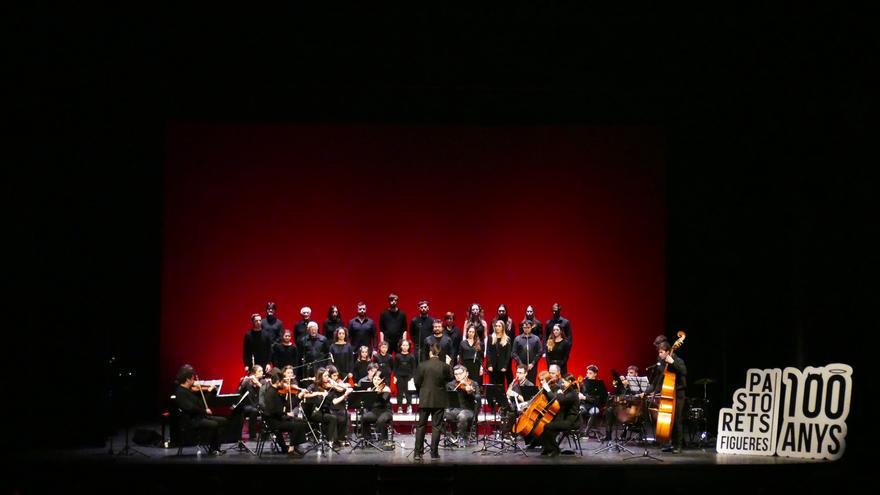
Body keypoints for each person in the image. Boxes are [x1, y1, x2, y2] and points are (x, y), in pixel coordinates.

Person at [173, 365, 227, 454]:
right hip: (190, 421)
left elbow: (200, 404)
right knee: (214, 424)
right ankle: (213, 449)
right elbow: (190, 408)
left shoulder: (189, 390)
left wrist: (209, 392)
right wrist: (204, 411)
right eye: (193, 379)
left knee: (223, 420)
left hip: (198, 417)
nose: (194, 381)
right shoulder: (180, 392)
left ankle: (215, 447)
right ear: (187, 380)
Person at [413, 343, 454, 461]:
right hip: (439, 400)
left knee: (421, 426)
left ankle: (417, 453)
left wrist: (421, 392)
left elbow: (417, 382)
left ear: (430, 352)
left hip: (425, 399)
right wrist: (448, 364)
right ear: (439, 353)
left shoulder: (422, 365)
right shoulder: (444, 366)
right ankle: (434, 453)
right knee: (436, 427)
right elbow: (450, 378)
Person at [648, 340, 687, 453]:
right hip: (669, 393)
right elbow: (660, 379)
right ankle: (669, 443)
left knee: (677, 419)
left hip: (679, 393)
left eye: (661, 352)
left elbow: (684, 372)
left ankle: (678, 445)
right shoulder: (662, 362)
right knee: (669, 419)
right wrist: (653, 392)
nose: (659, 355)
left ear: (667, 352)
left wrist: (673, 362)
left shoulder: (678, 360)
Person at [260, 369, 307, 457]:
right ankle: (291, 450)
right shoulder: (271, 393)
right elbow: (273, 411)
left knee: (299, 421)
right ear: (278, 382)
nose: (283, 383)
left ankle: (292, 447)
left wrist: (298, 397)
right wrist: (286, 414)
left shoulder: (274, 391)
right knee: (298, 425)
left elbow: (284, 406)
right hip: (274, 422)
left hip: (276, 418)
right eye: (282, 382)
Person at [302, 366, 352, 447]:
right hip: (316, 411)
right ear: (320, 377)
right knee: (332, 417)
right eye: (325, 376)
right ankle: (331, 440)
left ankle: (333, 440)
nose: (327, 378)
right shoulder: (313, 386)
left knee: (335, 417)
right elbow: (305, 394)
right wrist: (319, 393)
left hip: (326, 411)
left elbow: (334, 401)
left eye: (328, 376)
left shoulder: (330, 387)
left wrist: (345, 395)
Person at [538, 373, 580, 457]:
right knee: (543, 425)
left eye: (564, 382)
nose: (562, 384)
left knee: (547, 427)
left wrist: (559, 392)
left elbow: (560, 400)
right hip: (564, 418)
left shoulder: (572, 394)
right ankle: (547, 448)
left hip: (571, 422)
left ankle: (555, 449)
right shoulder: (567, 391)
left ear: (570, 382)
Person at [445, 365, 480, 445]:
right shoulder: (451, 385)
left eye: (460, 373)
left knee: (462, 415)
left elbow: (478, 399)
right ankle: (450, 437)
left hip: (468, 410)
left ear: (466, 374)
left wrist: (471, 393)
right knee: (438, 415)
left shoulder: (473, 384)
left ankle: (462, 437)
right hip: (454, 410)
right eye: (456, 374)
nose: (458, 376)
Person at [603, 365, 640, 441]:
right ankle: (608, 435)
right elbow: (620, 394)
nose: (629, 374)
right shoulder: (625, 382)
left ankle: (625, 433)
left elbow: (637, 396)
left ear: (636, 374)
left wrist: (629, 385)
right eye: (628, 373)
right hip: (622, 406)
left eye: (631, 373)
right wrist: (622, 385)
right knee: (609, 410)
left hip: (633, 407)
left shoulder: (639, 383)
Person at [361, 369, 395, 450]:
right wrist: (368, 394)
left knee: (381, 420)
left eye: (378, 379)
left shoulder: (386, 388)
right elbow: (367, 403)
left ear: (382, 380)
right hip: (375, 411)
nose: (376, 381)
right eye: (375, 379)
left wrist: (379, 393)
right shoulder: (371, 389)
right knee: (364, 417)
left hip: (386, 411)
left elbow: (384, 400)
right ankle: (368, 439)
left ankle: (384, 441)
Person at [485, 320, 512, 408]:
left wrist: (505, 366)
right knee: (492, 384)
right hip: (492, 366)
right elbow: (488, 352)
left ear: (503, 327)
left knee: (500, 385)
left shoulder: (507, 339)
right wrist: (489, 364)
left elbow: (508, 354)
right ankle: (491, 404)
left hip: (501, 367)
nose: (497, 327)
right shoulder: (490, 337)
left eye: (499, 326)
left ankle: (501, 403)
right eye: (496, 326)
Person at [503, 364, 534, 432]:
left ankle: (510, 432)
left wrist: (516, 395)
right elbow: (510, 398)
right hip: (515, 406)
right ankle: (505, 432)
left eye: (520, 373)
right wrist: (508, 395)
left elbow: (529, 401)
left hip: (525, 408)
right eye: (517, 372)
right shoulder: (515, 385)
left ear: (525, 374)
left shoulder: (529, 385)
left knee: (511, 413)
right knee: (503, 408)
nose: (517, 374)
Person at [578, 364, 607, 435]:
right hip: (584, 404)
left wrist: (585, 397)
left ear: (595, 374)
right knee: (579, 412)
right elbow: (580, 393)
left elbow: (601, 398)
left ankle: (586, 431)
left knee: (594, 412)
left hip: (594, 405)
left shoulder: (599, 384)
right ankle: (580, 431)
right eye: (587, 373)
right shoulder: (583, 382)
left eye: (590, 373)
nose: (588, 374)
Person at [237, 364, 264, 440]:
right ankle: (242, 436)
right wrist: (243, 382)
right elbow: (239, 391)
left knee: (256, 410)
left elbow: (265, 391)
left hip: (259, 406)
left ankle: (260, 435)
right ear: (254, 373)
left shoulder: (263, 381)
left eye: (262, 371)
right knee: (247, 411)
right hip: (247, 405)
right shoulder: (248, 381)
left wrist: (257, 383)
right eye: (260, 371)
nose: (262, 372)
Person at [392, 339, 416, 413]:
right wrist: (395, 376)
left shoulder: (411, 356)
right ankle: (399, 407)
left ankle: (409, 406)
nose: (405, 347)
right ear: (401, 346)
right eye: (403, 345)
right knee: (400, 392)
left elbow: (414, 368)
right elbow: (395, 367)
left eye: (406, 345)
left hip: (409, 376)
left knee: (408, 392)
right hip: (399, 376)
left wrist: (412, 377)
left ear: (409, 346)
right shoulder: (398, 356)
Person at [409, 300, 435, 364]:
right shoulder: (414, 320)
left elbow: (434, 334)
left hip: (429, 347)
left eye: (425, 307)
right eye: (421, 307)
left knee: (429, 364)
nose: (423, 309)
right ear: (419, 308)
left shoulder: (432, 321)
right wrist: (416, 342)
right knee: (418, 364)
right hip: (418, 348)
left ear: (428, 308)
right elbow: (411, 333)